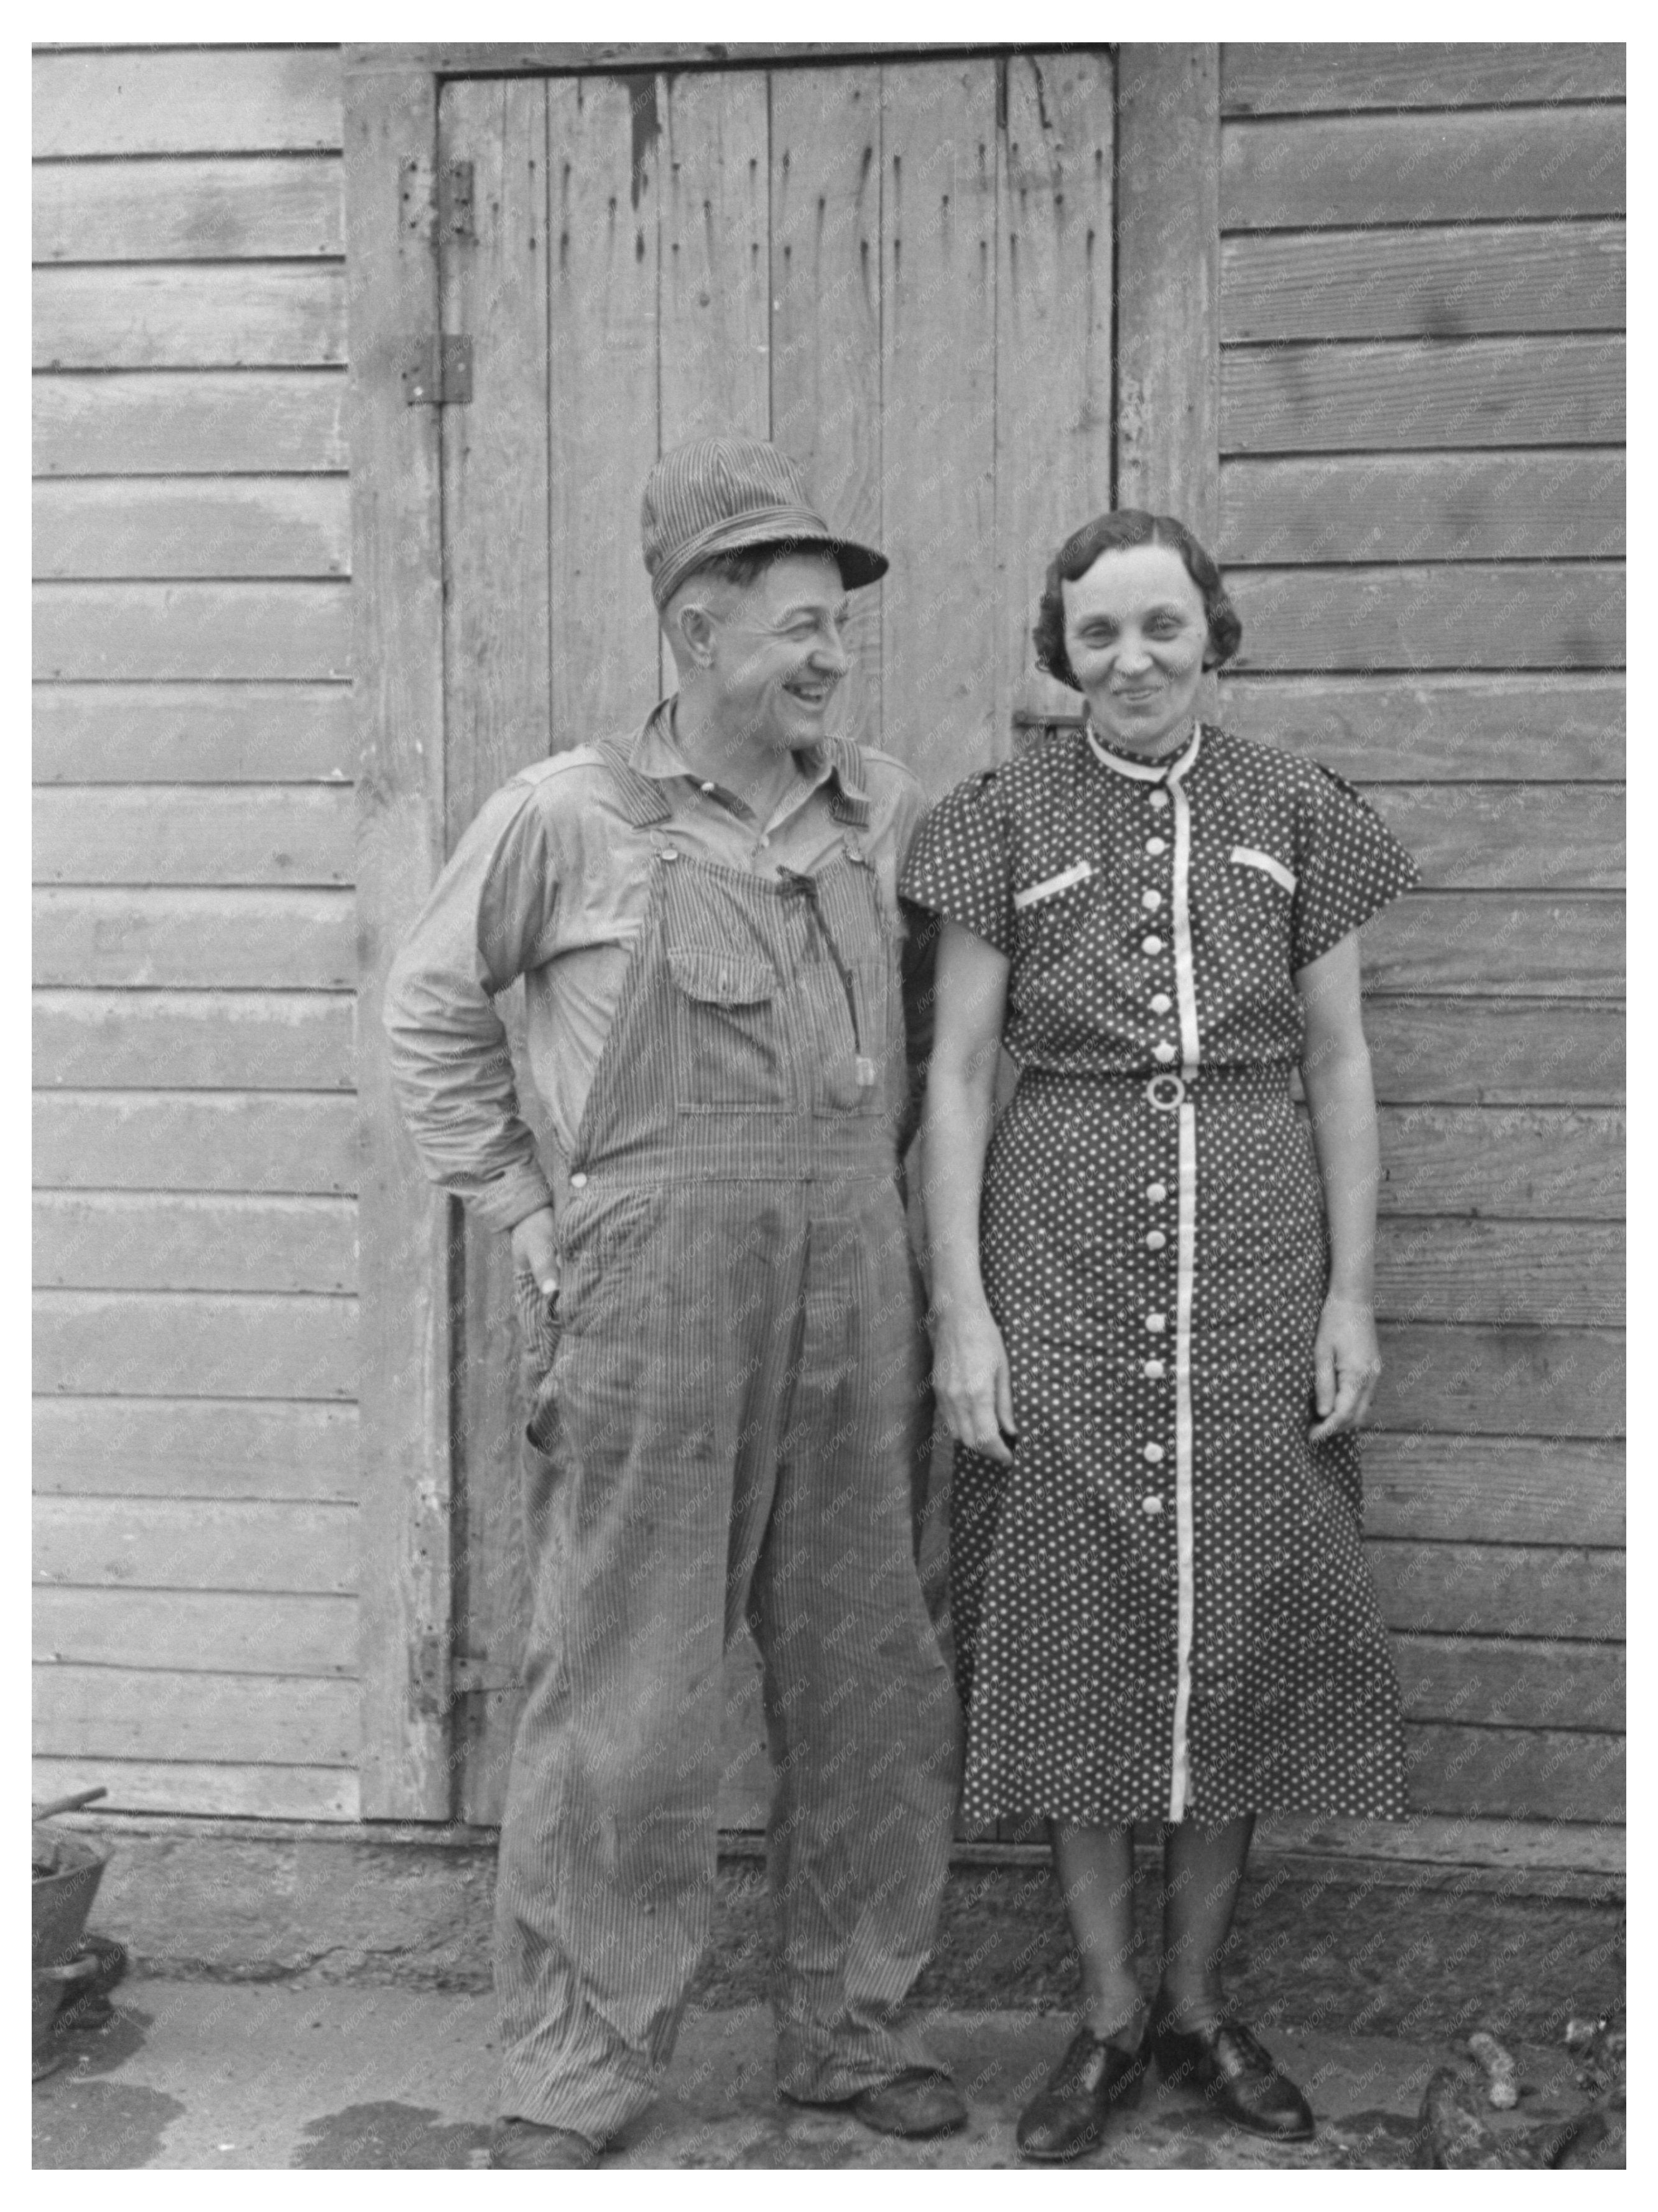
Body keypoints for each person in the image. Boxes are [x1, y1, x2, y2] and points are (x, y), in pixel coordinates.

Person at [384, 437, 963, 2169]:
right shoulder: (566, 816)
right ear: (693, 630)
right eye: (794, 627)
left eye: (836, 631)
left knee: (871, 1667)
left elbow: (938, 1046)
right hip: (650, 1303)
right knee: (622, 1687)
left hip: (853, 1288)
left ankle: (858, 2029)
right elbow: (429, 1015)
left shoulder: (889, 812)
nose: (828, 658)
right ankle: (577, 2067)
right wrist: (529, 1212)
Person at [901, 509, 1416, 2160]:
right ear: (1061, 649)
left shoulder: (1296, 814)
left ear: (1214, 637)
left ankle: (1200, 2002)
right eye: (1100, 633)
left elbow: (1336, 1060)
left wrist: (1349, 1290)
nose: (1133, 661)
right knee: (1075, 1614)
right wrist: (960, 1315)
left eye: (1163, 629)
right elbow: (957, 1074)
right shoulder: (992, 823)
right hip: (1052, 1255)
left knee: (1246, 1618)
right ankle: (1108, 2010)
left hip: (1259, 1263)